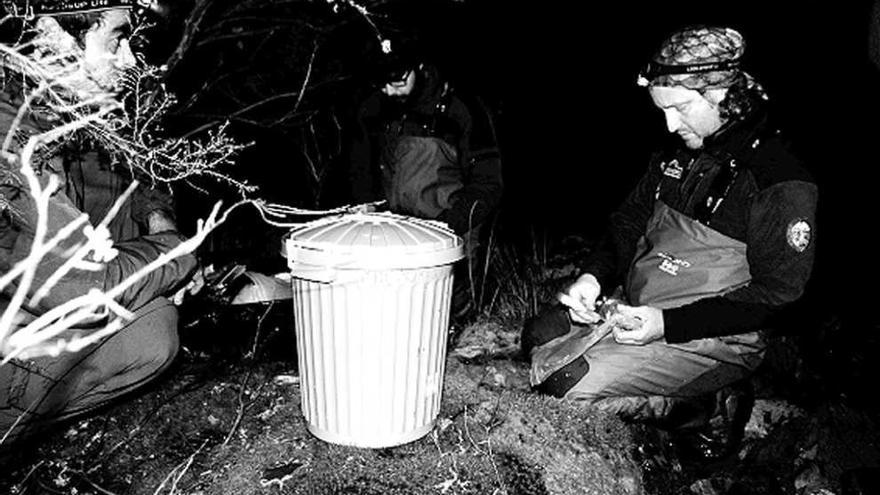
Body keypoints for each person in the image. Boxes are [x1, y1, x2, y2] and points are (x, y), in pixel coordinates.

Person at [521, 26, 817, 459]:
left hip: (716, 336)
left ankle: (707, 409)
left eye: (679, 108)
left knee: (561, 386)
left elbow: (779, 294)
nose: (669, 124)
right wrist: (592, 278)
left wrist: (667, 325)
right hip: (642, 305)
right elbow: (627, 224)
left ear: (721, 94)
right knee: (537, 334)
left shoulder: (779, 179)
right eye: (661, 110)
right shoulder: (676, 155)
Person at [0, 0, 201, 446]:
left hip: (34, 307)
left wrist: (158, 220)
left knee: (148, 303)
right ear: (53, 36)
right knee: (150, 331)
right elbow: (85, 290)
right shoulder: (12, 136)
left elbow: (136, 167)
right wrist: (175, 253)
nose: (130, 60)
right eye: (117, 38)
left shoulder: (61, 104)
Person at [348, 50, 503, 319]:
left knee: (443, 319)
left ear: (418, 66)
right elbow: (360, 163)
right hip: (394, 236)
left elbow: (488, 183)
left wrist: (448, 225)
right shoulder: (376, 105)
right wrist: (365, 201)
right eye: (381, 83)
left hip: (450, 235)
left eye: (396, 81)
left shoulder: (461, 109)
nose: (389, 91)